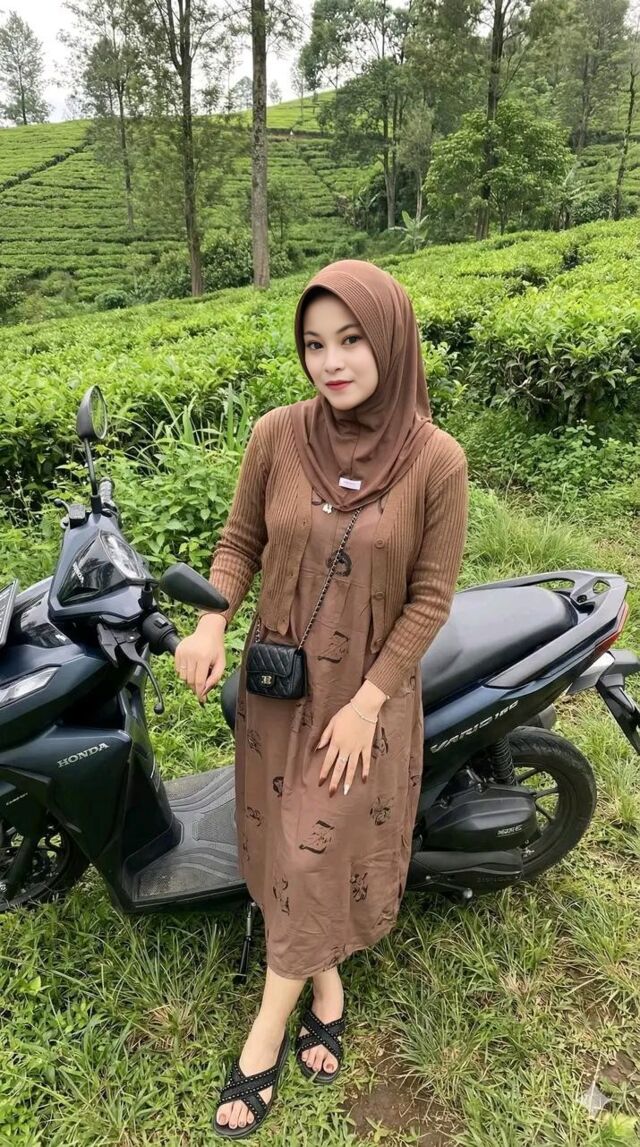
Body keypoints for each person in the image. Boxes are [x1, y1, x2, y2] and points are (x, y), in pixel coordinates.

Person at [174, 258, 469, 1138]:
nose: (330, 362)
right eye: (313, 343)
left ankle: (262, 1038)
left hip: (362, 700)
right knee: (279, 839)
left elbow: (430, 598)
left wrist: (370, 701)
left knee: (311, 855)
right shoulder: (277, 434)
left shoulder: (437, 461)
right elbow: (240, 541)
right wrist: (211, 623)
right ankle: (326, 982)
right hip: (278, 684)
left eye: (350, 340)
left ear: (391, 341)